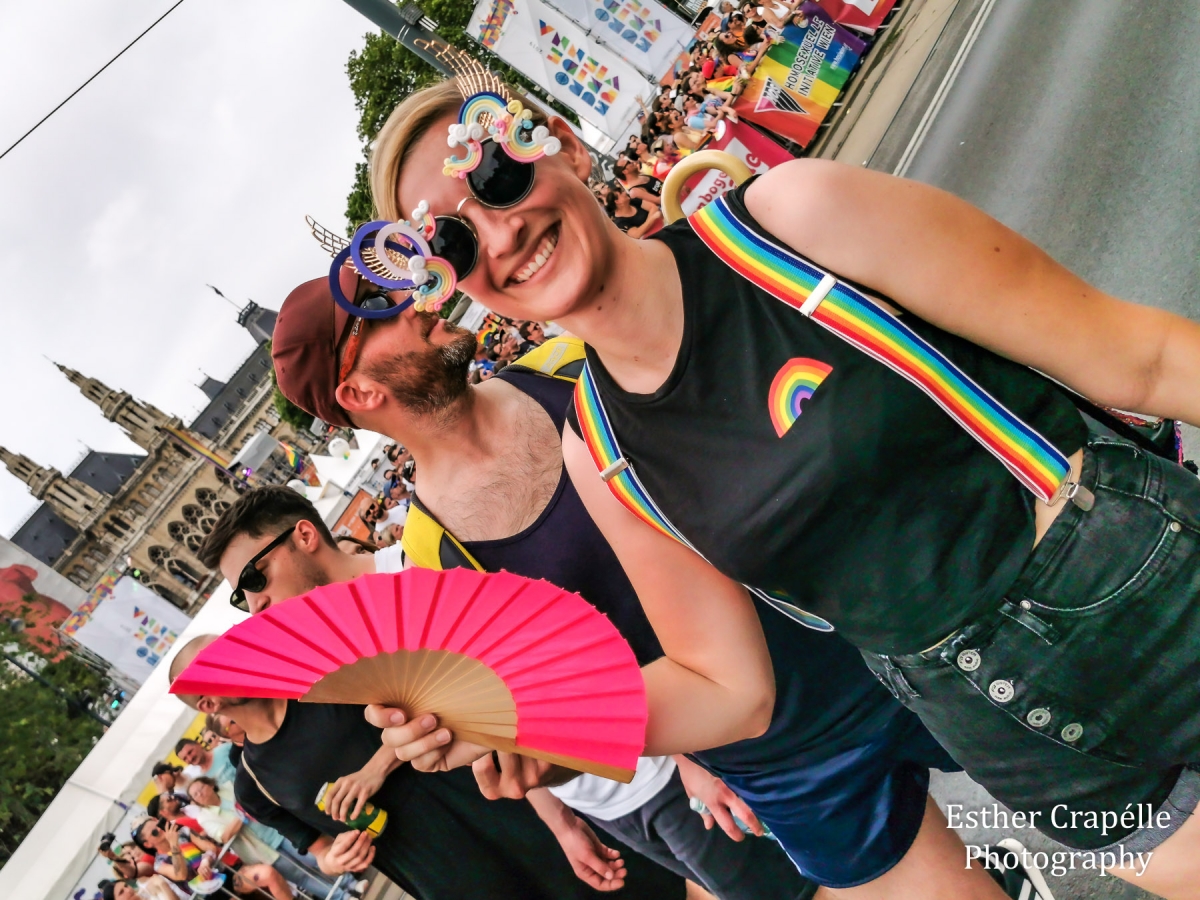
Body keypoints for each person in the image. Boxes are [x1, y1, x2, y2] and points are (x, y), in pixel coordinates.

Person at [365, 74, 1200, 899]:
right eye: (455, 242)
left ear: (563, 145)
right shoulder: (598, 449)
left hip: (1138, 588)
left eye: (497, 176)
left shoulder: (790, 222)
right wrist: (521, 715)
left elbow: (1140, 359)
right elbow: (729, 692)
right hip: (1013, 732)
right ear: (450, 281)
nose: (501, 235)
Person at [264, 245, 1006, 898]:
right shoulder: (436, 554)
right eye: (380, 309)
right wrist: (591, 760)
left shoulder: (567, 363)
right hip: (779, 756)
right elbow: (586, 686)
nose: (417, 299)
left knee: (1085, 806)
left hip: (885, 634)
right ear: (360, 392)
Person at [193, 485, 810, 900]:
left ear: (304, 535)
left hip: (662, 768)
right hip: (603, 800)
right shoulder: (359, 658)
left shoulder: (426, 562)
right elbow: (497, 727)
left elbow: (595, 631)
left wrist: (691, 756)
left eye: (255, 576)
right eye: (240, 597)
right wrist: (562, 820)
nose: (255, 603)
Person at [168, 635, 688, 900]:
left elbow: (441, 710)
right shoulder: (254, 784)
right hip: (444, 875)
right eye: (220, 662)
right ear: (209, 703)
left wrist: (376, 767)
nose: (239, 653)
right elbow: (318, 850)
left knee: (637, 889)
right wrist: (337, 859)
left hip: (502, 813)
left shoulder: (329, 679)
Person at [186, 776, 362, 900]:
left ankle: (351, 883)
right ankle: (342, 897)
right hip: (260, 849)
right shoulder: (204, 818)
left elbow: (252, 802)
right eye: (195, 795)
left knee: (314, 858)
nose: (200, 794)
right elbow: (224, 836)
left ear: (209, 785)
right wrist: (241, 813)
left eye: (200, 788)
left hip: (277, 831)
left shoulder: (230, 786)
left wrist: (242, 813)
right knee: (301, 877)